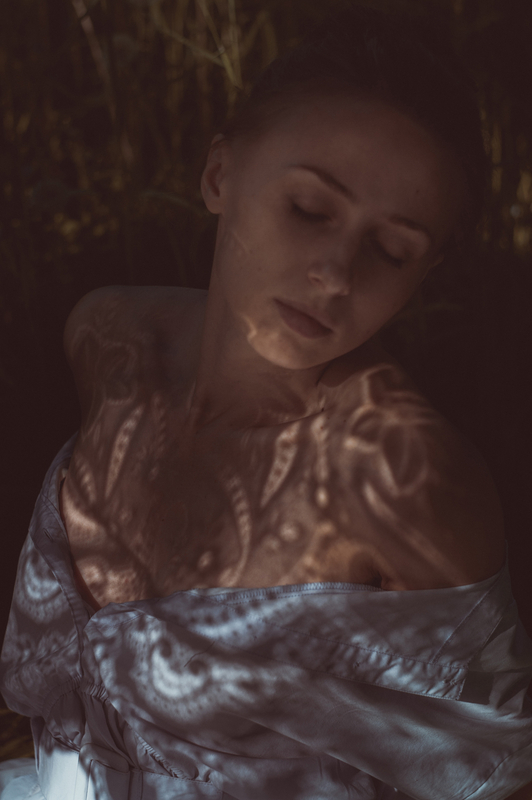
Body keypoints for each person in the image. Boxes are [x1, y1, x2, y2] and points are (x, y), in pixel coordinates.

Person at [1, 3, 532, 799]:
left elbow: (498, 778)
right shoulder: (108, 340)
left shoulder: (403, 478)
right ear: (219, 175)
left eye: (391, 250)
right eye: (309, 209)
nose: (336, 274)